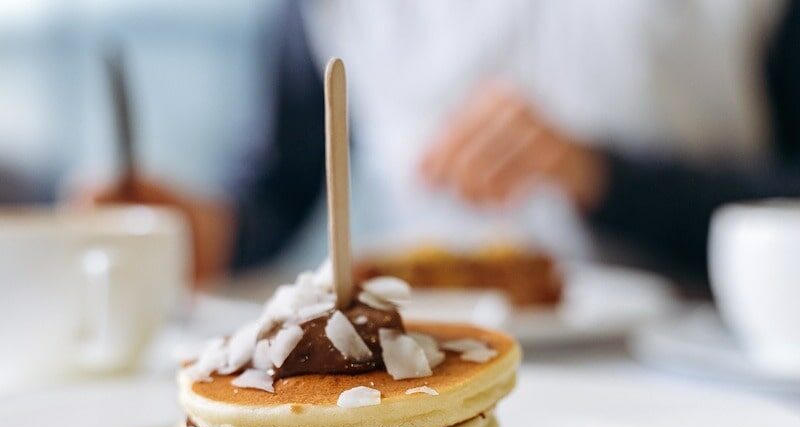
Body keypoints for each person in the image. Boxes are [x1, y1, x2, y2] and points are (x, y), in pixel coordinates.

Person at [84, 0, 800, 283]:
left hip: (697, 376)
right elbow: (276, 195)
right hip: (414, 368)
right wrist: (199, 232)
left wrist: (606, 178)